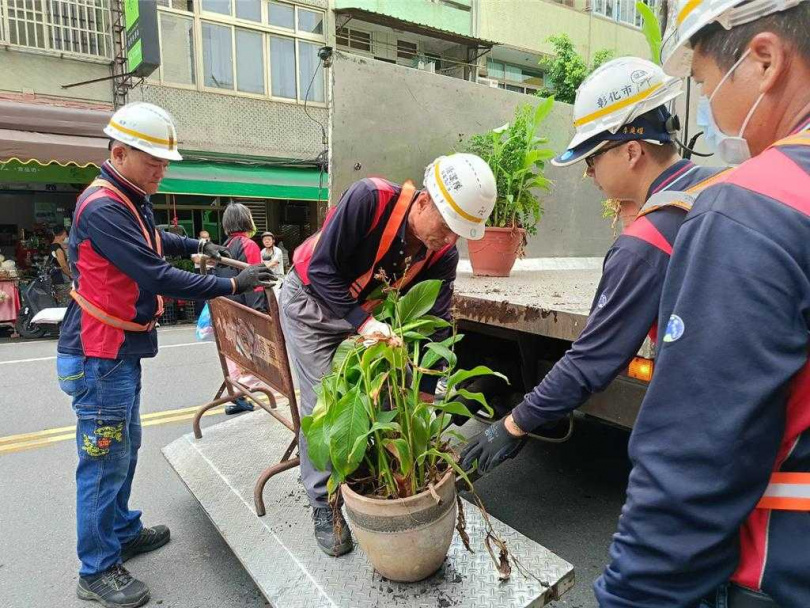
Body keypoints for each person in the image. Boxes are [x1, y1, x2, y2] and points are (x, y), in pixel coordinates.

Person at [593, 1, 810, 606]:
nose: (710, 110)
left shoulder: (751, 208)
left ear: (763, 61)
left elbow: (690, 464)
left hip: (779, 570)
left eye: (707, 84)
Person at [460, 57, 727, 475]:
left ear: (633, 151)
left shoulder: (644, 242)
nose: (589, 173)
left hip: (708, 425)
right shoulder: (727, 184)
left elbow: (592, 359)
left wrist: (511, 427)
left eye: (593, 159)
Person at [55, 102, 271, 608]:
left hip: (116, 351)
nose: (160, 170)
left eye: (163, 162)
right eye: (152, 161)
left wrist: (204, 247)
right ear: (119, 152)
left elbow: (158, 240)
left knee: (124, 446)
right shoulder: (105, 207)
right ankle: (96, 568)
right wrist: (230, 280)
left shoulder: (129, 197)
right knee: (104, 460)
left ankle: (121, 531)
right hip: (98, 354)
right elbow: (156, 273)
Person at [280, 153, 497, 556]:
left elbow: (434, 323)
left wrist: (428, 393)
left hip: (362, 317)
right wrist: (363, 323)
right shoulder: (370, 199)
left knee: (379, 398)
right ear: (424, 201)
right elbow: (324, 268)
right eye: (447, 226)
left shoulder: (442, 256)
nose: (449, 240)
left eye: (459, 234)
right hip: (311, 304)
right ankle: (323, 503)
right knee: (323, 404)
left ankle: (362, 477)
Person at [216, 204, 268, 415]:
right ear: (247, 220)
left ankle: (238, 395)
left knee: (234, 356)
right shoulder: (249, 245)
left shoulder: (225, 246)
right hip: (246, 309)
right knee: (253, 357)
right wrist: (261, 314)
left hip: (228, 309)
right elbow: (256, 283)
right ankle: (242, 394)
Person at [48, 226, 72, 305]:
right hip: (62, 279)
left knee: (61, 302)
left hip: (55, 278)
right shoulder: (57, 248)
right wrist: (71, 275)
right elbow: (63, 265)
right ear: (64, 234)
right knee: (66, 303)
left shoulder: (52, 246)